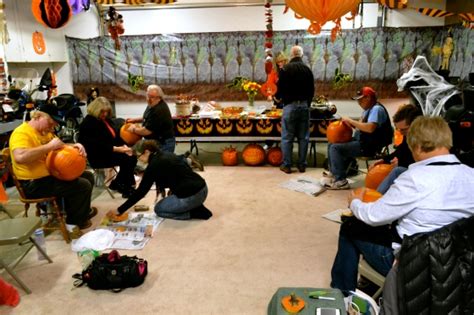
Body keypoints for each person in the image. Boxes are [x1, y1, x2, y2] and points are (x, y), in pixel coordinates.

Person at [329, 116, 474, 298]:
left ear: (416, 146)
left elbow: (374, 216)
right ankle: (369, 287)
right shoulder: (471, 175)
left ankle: (342, 295)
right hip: (459, 265)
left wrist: (355, 202)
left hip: (415, 266)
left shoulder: (414, 179)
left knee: (351, 226)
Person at [9, 104, 98, 238]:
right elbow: (20, 157)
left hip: (48, 176)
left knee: (87, 176)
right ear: (38, 117)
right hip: (33, 184)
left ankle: (80, 212)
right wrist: (48, 147)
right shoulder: (21, 133)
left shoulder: (46, 132)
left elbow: (60, 147)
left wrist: (75, 146)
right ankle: (72, 224)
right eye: (50, 122)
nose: (52, 127)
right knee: (82, 185)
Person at [106, 140, 211, 221]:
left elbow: (140, 192)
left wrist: (120, 210)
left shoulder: (154, 165)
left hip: (193, 195)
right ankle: (194, 205)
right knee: (171, 199)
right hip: (203, 188)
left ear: (147, 152)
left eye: (139, 156)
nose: (139, 159)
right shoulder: (165, 154)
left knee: (159, 209)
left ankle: (192, 213)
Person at [324, 86, 393, 190]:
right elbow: (361, 127)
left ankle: (341, 181)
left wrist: (351, 121)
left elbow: (370, 128)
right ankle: (334, 173)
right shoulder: (368, 110)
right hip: (362, 141)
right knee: (332, 143)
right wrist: (349, 125)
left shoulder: (376, 109)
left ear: (368, 98)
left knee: (335, 148)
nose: (359, 103)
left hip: (370, 146)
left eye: (360, 100)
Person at [78, 96, 137, 198]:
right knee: (127, 159)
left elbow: (115, 137)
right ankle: (126, 188)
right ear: (96, 110)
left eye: (106, 111)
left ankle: (117, 183)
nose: (104, 114)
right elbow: (95, 146)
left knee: (131, 156)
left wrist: (125, 147)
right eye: (102, 112)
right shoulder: (88, 123)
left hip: (109, 152)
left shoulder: (106, 120)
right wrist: (117, 149)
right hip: (98, 156)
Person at [275, 45, 315, 174]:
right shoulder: (307, 70)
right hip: (304, 106)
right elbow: (311, 91)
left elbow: (279, 90)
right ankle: (302, 165)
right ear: (301, 55)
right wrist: (306, 104)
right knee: (303, 137)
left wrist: (278, 99)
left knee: (287, 137)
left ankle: (287, 165)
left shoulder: (285, 69)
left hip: (289, 106)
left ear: (291, 55)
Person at [369, 104, 422, 194]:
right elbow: (402, 150)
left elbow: (422, 162)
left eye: (404, 130)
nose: (401, 133)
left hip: (424, 175)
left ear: (416, 124)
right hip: (413, 170)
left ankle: (376, 199)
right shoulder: (409, 134)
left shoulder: (425, 138)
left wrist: (401, 162)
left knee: (397, 171)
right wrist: (385, 159)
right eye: (399, 129)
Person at [126, 84, 176, 153]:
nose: (148, 99)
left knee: (162, 163)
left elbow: (146, 131)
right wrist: (134, 120)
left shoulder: (159, 110)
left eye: (152, 97)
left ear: (159, 98)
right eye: (148, 96)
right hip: (156, 141)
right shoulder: (152, 104)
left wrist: (134, 129)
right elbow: (147, 117)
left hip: (164, 143)